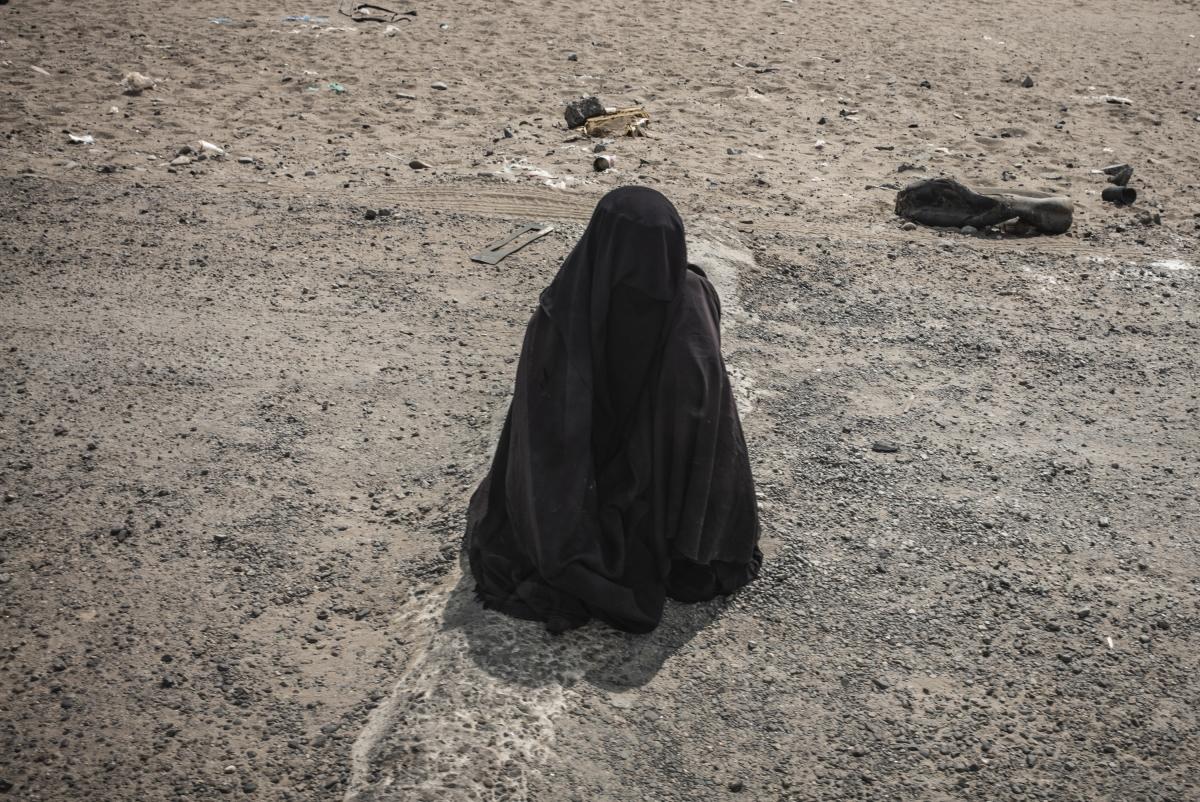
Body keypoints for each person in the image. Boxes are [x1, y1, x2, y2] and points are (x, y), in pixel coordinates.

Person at [463, 186, 762, 633]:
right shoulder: (691, 298)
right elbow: (710, 429)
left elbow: (544, 437)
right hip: (674, 498)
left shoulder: (563, 313)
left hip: (584, 487)